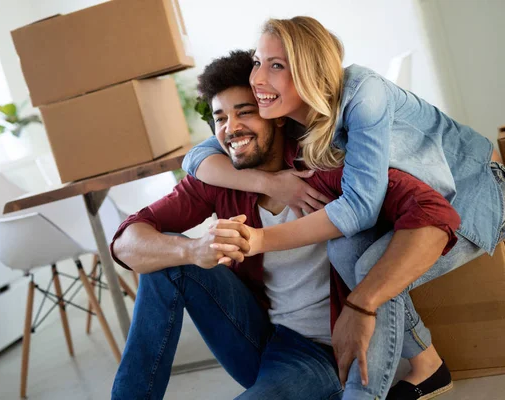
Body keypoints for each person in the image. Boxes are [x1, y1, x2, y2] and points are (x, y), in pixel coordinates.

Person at [182, 17, 505, 400]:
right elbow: (198, 155)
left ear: (308, 69)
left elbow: (360, 209)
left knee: (371, 272)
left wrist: (260, 239)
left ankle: (362, 395)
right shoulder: (293, 113)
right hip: (406, 208)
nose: (258, 78)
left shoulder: (362, 95)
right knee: (343, 250)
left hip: (471, 192)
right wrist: (266, 181)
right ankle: (428, 367)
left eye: (277, 65)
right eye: (257, 61)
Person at [110, 50, 460, 400]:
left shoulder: (329, 163)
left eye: (244, 112)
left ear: (274, 114)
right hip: (259, 335)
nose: (231, 128)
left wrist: (364, 304)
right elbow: (127, 241)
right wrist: (193, 248)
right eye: (220, 118)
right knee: (166, 261)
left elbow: (432, 210)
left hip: (324, 353)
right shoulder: (222, 178)